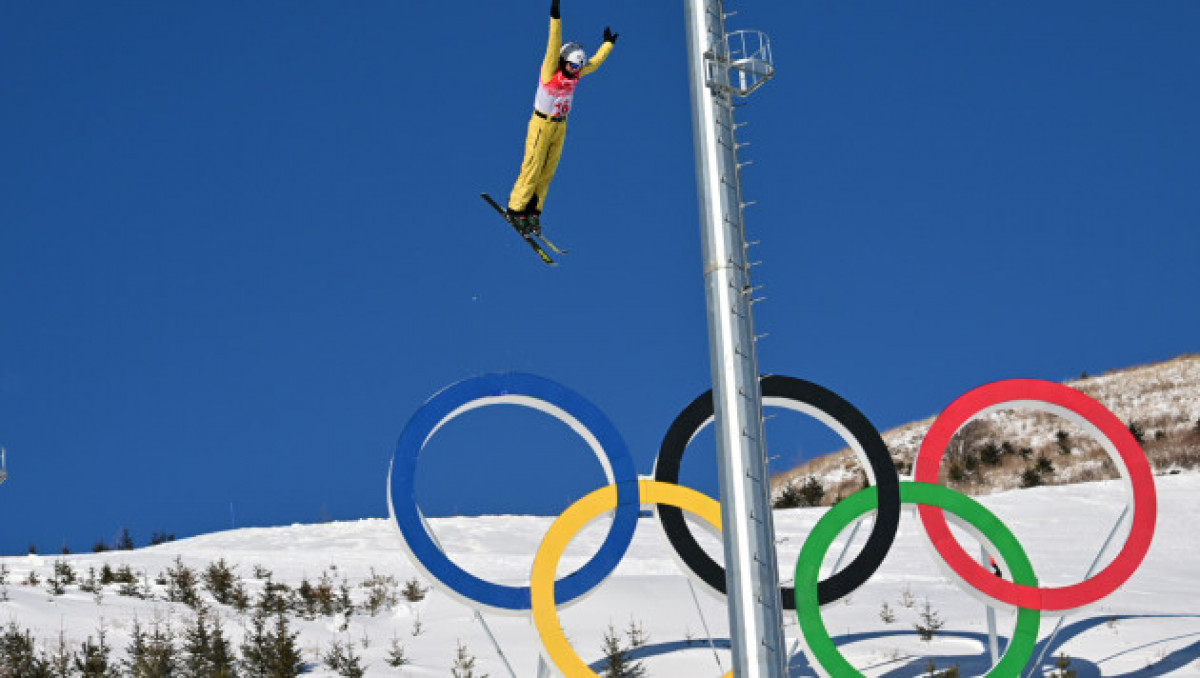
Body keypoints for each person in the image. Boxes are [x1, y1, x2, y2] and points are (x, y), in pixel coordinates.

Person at [506, 0, 618, 235]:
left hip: (560, 127)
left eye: (578, 67)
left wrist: (607, 45)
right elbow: (553, 42)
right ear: (563, 61)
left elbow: (595, 64)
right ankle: (516, 209)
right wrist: (555, 17)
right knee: (533, 167)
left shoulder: (576, 74)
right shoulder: (550, 70)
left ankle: (533, 212)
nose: (576, 71)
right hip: (541, 124)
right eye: (572, 66)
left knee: (548, 171)